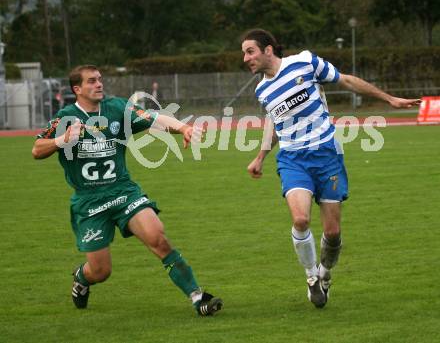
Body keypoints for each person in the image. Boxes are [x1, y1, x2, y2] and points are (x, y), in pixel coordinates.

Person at [241, 29, 421, 308]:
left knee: (333, 233)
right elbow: (275, 123)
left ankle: (325, 274)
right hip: (292, 159)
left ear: (268, 50)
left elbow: (346, 80)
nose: (245, 58)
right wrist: (261, 156)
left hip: (327, 156)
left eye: (249, 51)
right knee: (300, 219)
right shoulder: (261, 90)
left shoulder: (305, 62)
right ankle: (311, 277)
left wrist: (389, 99)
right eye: (244, 53)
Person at [32, 65, 223, 316]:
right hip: (89, 202)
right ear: (77, 89)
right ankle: (82, 277)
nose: (99, 84)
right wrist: (61, 141)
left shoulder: (118, 108)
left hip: (123, 192)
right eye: (91, 81)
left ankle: (198, 298)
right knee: (101, 271)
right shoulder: (65, 118)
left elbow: (154, 118)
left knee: (158, 238)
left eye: (100, 79)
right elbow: (37, 149)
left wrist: (183, 128)